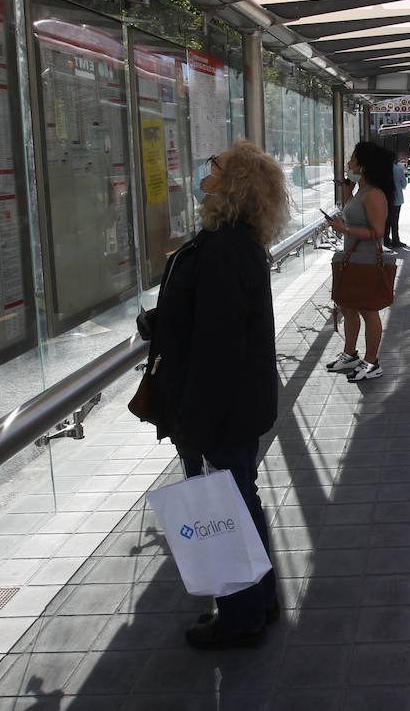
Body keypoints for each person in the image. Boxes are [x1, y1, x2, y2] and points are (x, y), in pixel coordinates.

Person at [147, 139, 289, 650]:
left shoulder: (225, 249)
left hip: (222, 407)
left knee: (229, 508)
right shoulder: (235, 242)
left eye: (217, 165)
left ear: (234, 184)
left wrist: (193, 423)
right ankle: (260, 599)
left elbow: (217, 344)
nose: (207, 169)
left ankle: (241, 617)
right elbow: (210, 316)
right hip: (237, 403)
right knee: (241, 500)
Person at [325, 142, 393, 382]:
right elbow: (351, 213)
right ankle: (350, 354)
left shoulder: (374, 194)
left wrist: (344, 229)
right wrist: (347, 190)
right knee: (349, 307)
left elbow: (377, 231)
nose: (348, 164)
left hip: (366, 261)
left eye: (352, 160)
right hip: (353, 258)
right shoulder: (361, 191)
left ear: (363, 167)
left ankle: (372, 362)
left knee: (368, 310)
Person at [385, 153, 406, 248]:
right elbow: (404, 185)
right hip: (397, 198)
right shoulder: (398, 169)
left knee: (386, 220)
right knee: (395, 220)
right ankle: (395, 240)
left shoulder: (383, 169)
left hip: (385, 198)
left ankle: (385, 239)